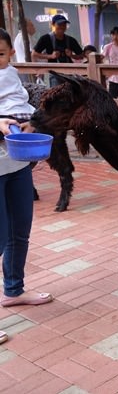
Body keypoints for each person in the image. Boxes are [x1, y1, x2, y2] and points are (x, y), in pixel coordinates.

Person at [0, 28, 54, 345]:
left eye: (3, 53)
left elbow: (23, 104)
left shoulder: (11, 77)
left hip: (17, 164)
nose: (0, 60)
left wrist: (29, 122)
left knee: (20, 230)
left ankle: (14, 290)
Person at [32, 15, 84, 86]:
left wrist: (72, 55)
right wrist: (51, 56)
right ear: (53, 24)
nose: (62, 27)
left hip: (69, 74)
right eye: (59, 24)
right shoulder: (46, 38)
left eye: (64, 24)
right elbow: (34, 54)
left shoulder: (71, 40)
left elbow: (81, 56)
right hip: (54, 74)